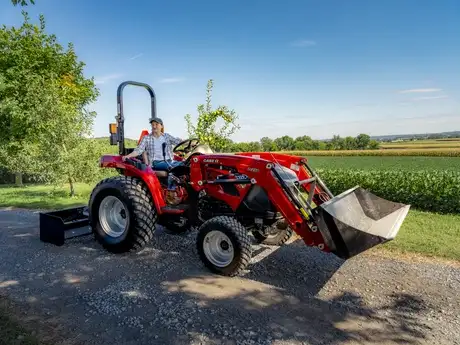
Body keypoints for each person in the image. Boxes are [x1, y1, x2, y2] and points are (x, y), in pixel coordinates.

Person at [122, 117, 183, 192]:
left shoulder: (167, 136)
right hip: (156, 163)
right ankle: (171, 190)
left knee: (185, 164)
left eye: (156, 124)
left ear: (161, 126)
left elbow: (178, 142)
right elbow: (138, 150)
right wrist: (127, 156)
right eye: (152, 125)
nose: (154, 126)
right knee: (173, 167)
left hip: (169, 160)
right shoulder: (147, 138)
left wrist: (185, 142)